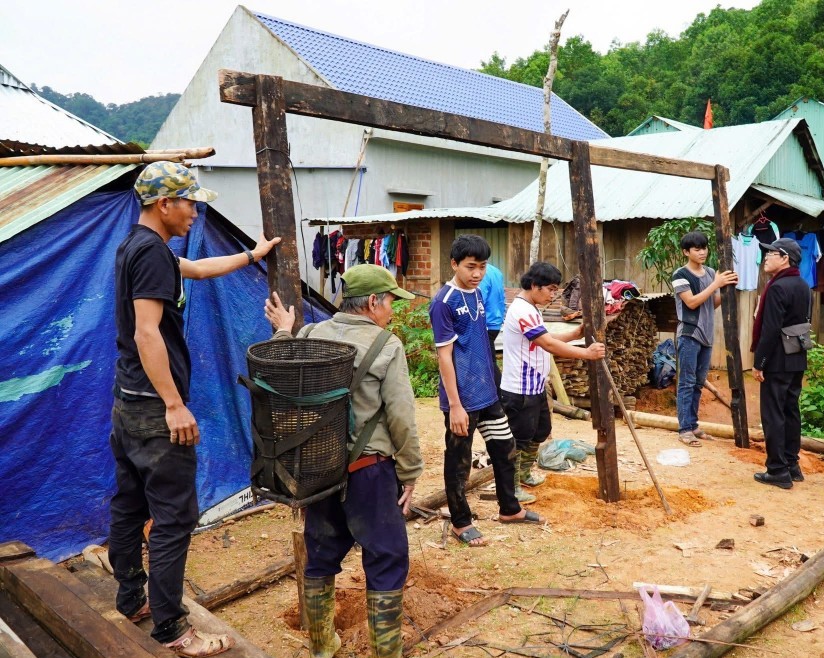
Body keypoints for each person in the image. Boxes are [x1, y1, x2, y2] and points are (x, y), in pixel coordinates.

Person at [109, 161, 281, 656]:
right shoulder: (150, 254)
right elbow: (146, 332)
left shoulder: (140, 249)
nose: (194, 211)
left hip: (128, 403)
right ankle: (172, 630)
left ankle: (131, 599)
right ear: (164, 204)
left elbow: (199, 269)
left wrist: (252, 255)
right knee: (174, 518)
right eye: (189, 202)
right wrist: (174, 404)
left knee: (129, 504)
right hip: (154, 409)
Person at [264, 264, 422, 658]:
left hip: (318, 469)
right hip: (369, 470)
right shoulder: (387, 345)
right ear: (372, 301)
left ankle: (322, 646)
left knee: (321, 554)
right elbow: (401, 417)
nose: (392, 311)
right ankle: (387, 652)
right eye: (389, 302)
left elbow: (286, 373)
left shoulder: (312, 334)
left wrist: (285, 329)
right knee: (386, 556)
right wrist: (410, 471)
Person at [430, 235, 542, 547]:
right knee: (459, 461)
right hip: (462, 398)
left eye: (482, 267)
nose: (477, 273)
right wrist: (454, 405)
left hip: (487, 391)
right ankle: (460, 521)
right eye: (470, 267)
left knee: (505, 450)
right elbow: (444, 356)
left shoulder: (477, 292)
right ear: (454, 264)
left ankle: (509, 509)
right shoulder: (443, 302)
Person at [500, 262, 606, 503]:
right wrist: (586, 354)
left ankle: (525, 473)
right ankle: (512, 486)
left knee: (540, 432)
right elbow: (547, 344)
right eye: (550, 289)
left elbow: (545, 337)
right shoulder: (522, 311)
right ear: (535, 286)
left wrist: (573, 335)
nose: (554, 294)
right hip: (519, 389)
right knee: (518, 439)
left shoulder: (531, 307)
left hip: (535, 386)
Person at [750, 238, 811, 490]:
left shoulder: (776, 288)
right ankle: (792, 465)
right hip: (797, 356)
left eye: (771, 253)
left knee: (773, 413)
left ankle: (777, 470)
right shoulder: (803, 285)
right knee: (790, 411)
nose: (766, 257)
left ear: (785, 258)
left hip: (777, 360)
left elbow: (771, 329)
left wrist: (759, 362)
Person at [671, 231, 738, 446]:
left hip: (707, 335)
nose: (702, 252)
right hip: (690, 334)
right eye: (697, 249)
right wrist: (716, 284)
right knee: (686, 382)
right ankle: (684, 430)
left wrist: (726, 288)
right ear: (686, 252)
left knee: (698, 383)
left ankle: (693, 425)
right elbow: (691, 303)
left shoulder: (710, 273)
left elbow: (712, 303)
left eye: (704, 248)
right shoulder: (680, 275)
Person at [478, 261, 507, 388]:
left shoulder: (480, 274)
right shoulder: (496, 271)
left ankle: (499, 397)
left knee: (488, 363)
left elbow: (479, 299)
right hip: (495, 321)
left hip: (485, 323)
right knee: (489, 360)